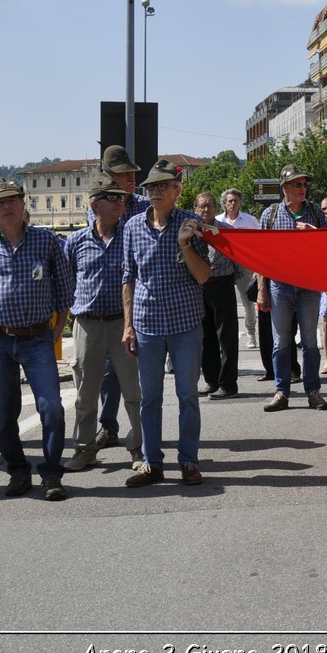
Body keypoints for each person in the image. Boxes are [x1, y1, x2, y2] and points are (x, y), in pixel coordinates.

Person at [0, 179, 74, 501]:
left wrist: (59, 328)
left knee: (51, 407)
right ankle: (17, 469)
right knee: (1, 415)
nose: (7, 207)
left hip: (38, 337)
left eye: (12, 200)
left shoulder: (46, 241)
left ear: (23, 204)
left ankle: (52, 473)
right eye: (0, 203)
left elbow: (65, 287)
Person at [121, 159, 213, 488]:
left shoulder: (191, 223)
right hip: (146, 324)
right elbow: (128, 278)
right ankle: (152, 463)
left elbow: (203, 276)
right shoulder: (132, 226)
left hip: (185, 322)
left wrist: (185, 243)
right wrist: (128, 325)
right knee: (150, 397)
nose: (156, 192)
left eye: (163, 186)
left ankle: (188, 461)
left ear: (177, 191)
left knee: (187, 394)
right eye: (151, 187)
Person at [63, 174, 143, 473]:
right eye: (112, 198)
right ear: (95, 204)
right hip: (88, 324)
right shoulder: (76, 242)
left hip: (124, 323)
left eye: (121, 198)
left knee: (133, 391)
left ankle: (138, 448)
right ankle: (85, 450)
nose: (119, 203)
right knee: (85, 393)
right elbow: (67, 281)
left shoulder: (131, 236)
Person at [258, 165, 327, 413]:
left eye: (304, 184)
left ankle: (313, 391)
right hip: (280, 287)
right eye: (297, 184)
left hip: (309, 287)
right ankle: (281, 392)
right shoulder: (270, 214)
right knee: (281, 343)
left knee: (310, 342)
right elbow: (261, 256)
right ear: (284, 187)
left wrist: (314, 233)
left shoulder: (315, 212)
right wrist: (262, 290)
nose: (303, 188)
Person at [193, 192, 241, 399]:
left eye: (210, 206)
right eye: (202, 206)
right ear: (195, 209)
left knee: (226, 336)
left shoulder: (226, 230)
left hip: (222, 283)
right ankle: (211, 380)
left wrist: (235, 278)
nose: (206, 210)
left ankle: (228, 384)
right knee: (206, 337)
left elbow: (237, 258)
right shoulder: (191, 229)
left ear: (216, 208)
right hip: (200, 286)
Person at [215, 188, 260, 349]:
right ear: (224, 203)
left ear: (240, 202)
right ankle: (222, 337)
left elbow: (258, 243)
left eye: (235, 200)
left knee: (248, 302)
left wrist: (256, 266)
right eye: (229, 201)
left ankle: (251, 334)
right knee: (223, 304)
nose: (232, 203)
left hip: (244, 265)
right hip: (222, 266)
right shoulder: (217, 220)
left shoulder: (250, 220)